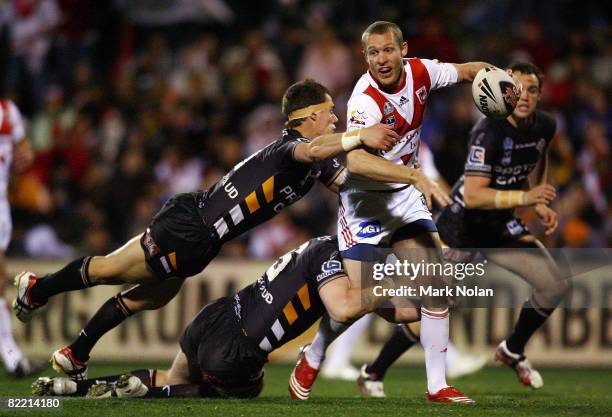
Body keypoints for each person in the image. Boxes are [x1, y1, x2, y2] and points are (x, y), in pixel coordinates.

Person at [13, 78, 419, 381]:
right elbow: (312, 150)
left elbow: (347, 182)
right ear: (310, 117)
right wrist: (357, 135)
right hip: (192, 226)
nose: (336, 116)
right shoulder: (290, 149)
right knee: (109, 272)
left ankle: (75, 351)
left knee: (148, 297)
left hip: (203, 239)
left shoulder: (315, 162)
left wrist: (402, 182)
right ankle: (39, 292)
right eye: (330, 111)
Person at [289, 21, 495, 404]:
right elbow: (358, 162)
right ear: (365, 56)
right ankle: (316, 351)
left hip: (403, 198)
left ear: (403, 49)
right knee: (358, 306)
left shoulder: (421, 71)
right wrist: (415, 175)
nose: (381, 59)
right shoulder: (363, 99)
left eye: (388, 50)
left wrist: (500, 78)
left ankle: (437, 386)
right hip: (365, 204)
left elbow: (469, 70)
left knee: (434, 285)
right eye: (373, 53)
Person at [358, 62, 567, 395]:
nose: (523, 96)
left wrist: (539, 199)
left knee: (554, 285)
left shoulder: (546, 125)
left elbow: (537, 158)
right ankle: (373, 372)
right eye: (516, 88)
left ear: (540, 95)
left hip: (499, 226)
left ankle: (512, 350)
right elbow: (473, 195)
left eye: (531, 90)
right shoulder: (489, 131)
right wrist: (528, 196)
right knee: (429, 306)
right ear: (504, 91)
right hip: (462, 227)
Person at [32, 236, 419, 398]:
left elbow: (392, 310)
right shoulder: (331, 260)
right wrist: (393, 284)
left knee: (172, 375)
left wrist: (424, 300)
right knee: (249, 388)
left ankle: (74, 389)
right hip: (237, 349)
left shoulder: (320, 247)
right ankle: (163, 393)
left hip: (213, 317)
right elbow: (344, 308)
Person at [0, 98, 46, 377]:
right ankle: (12, 357)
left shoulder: (8, 110)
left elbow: (23, 148)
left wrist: (24, 154)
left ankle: (12, 356)